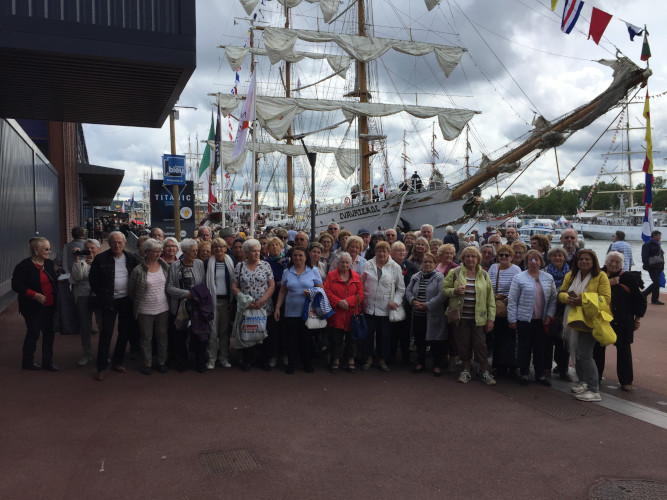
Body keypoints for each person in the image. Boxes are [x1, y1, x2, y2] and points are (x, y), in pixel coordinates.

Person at [558, 249, 611, 402]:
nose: (584, 262)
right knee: (576, 353)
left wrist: (583, 300)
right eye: (581, 259)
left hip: (590, 320)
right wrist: (567, 298)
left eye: (588, 259)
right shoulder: (571, 275)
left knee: (585, 354)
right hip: (573, 319)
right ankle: (583, 382)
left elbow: (605, 299)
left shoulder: (601, 277)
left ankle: (594, 390)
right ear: (577, 261)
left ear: (594, 261)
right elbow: (561, 292)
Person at [89, 231, 140, 381]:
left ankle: (117, 362)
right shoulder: (100, 259)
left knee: (124, 332)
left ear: (124, 243)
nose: (117, 245)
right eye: (113, 242)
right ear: (109, 243)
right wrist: (103, 295)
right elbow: (94, 280)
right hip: (108, 301)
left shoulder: (131, 258)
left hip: (126, 300)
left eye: (119, 242)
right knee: (106, 334)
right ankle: (101, 367)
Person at [442, 246, 496, 386]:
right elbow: (444, 290)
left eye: (473, 256)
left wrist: (491, 318)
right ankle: (466, 370)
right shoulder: (455, 272)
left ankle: (484, 371)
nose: (470, 259)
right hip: (461, 317)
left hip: (479, 318)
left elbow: (490, 298)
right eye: (467, 256)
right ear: (462, 258)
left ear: (478, 258)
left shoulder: (484, 274)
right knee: (463, 345)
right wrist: (454, 290)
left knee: (480, 345)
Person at [594, 251, 647, 391]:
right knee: (598, 349)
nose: (613, 264)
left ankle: (626, 381)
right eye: (611, 260)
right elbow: (590, 292)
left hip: (624, 320)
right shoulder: (598, 274)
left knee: (624, 350)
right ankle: (595, 377)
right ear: (605, 261)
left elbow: (639, 299)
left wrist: (638, 319)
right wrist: (608, 283)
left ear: (622, 264)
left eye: (617, 262)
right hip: (602, 319)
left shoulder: (628, 277)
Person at [508, 249, 557, 386]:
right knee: (524, 347)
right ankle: (524, 373)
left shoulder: (548, 277)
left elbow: (553, 298)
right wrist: (512, 319)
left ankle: (540, 374)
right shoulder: (519, 278)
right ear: (527, 262)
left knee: (540, 348)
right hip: (524, 319)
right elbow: (512, 299)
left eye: (537, 259)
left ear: (541, 262)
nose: (534, 262)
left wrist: (549, 314)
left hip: (542, 320)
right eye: (531, 260)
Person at [12, 237, 59, 371]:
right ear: (36, 250)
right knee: (33, 333)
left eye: (49, 248)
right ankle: (27, 362)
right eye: (46, 249)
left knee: (49, 334)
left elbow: (52, 281)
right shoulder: (24, 266)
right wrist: (34, 295)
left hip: (50, 305)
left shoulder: (49, 264)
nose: (49, 251)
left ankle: (47, 362)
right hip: (32, 307)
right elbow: (17, 285)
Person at [274, 246, 321, 373]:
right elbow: (283, 291)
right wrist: (278, 307)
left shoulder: (313, 270)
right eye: (295, 255)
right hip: (291, 311)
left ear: (306, 257)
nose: (297, 258)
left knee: (306, 338)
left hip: (308, 311)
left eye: (300, 255)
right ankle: (292, 363)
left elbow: (321, 288)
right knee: (291, 339)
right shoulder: (287, 271)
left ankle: (307, 363)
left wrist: (311, 292)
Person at [360, 241, 405, 372]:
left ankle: (382, 359)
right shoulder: (368, 264)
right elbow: (361, 283)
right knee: (367, 335)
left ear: (389, 252)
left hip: (386, 307)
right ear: (375, 252)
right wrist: (361, 299)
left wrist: (395, 301)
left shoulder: (395, 267)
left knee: (384, 336)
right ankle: (368, 358)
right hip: (368, 306)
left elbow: (401, 288)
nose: (382, 253)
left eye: (384, 251)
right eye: (379, 251)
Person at [232, 239, 275, 371]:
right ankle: (247, 360)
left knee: (264, 333)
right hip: (247, 307)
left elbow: (271, 285)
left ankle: (264, 360)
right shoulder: (239, 266)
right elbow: (234, 287)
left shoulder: (265, 265)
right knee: (248, 331)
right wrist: (245, 300)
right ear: (246, 252)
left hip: (264, 307)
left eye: (258, 250)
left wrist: (263, 300)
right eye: (253, 251)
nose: (257, 253)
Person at [128, 238, 170, 375]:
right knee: (146, 337)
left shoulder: (165, 267)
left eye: (159, 251)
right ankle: (147, 363)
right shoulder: (138, 271)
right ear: (146, 252)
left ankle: (162, 361)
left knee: (162, 336)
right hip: (145, 309)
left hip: (163, 308)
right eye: (154, 251)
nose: (158, 254)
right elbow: (132, 291)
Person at [166, 238, 207, 372]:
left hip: (197, 306)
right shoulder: (175, 266)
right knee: (180, 336)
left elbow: (204, 285)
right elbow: (170, 288)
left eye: (196, 251)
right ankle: (182, 363)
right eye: (192, 251)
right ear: (184, 251)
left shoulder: (200, 264)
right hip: (180, 306)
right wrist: (187, 294)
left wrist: (197, 295)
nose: (195, 254)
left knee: (198, 335)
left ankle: (199, 362)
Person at [406, 253, 446, 375]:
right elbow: (408, 291)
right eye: (425, 262)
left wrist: (427, 304)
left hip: (433, 314)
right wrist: (413, 301)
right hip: (418, 314)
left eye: (430, 262)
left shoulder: (439, 277)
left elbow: (442, 295)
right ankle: (420, 363)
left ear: (435, 264)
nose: (427, 264)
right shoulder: (416, 276)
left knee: (435, 341)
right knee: (419, 340)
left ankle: (437, 365)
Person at [323, 252, 364, 373]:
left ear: (350, 263)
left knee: (352, 339)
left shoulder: (357, 277)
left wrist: (347, 301)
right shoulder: (331, 276)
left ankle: (350, 360)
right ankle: (335, 360)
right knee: (336, 338)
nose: (344, 265)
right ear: (338, 263)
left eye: (347, 262)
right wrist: (338, 302)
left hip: (352, 313)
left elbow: (360, 295)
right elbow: (327, 291)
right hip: (336, 313)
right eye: (342, 262)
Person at [488, 245, 521, 376]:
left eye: (507, 255)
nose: (503, 257)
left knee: (511, 337)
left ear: (511, 257)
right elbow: (488, 285)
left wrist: (511, 297)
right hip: (495, 304)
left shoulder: (516, 269)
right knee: (497, 337)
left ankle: (511, 365)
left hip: (509, 306)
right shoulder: (493, 268)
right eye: (501, 255)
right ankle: (498, 365)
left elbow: (519, 286)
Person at [70, 238, 102, 366]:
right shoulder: (80, 262)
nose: (89, 250)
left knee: (102, 325)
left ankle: (103, 353)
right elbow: (76, 277)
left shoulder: (103, 262)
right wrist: (76, 260)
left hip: (98, 296)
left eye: (92, 248)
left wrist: (94, 263)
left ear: (98, 249)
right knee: (85, 326)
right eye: (87, 248)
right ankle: (87, 353)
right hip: (83, 295)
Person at [204, 238, 235, 370]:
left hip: (226, 301)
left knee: (224, 332)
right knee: (212, 331)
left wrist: (232, 300)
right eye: (215, 247)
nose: (218, 249)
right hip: (212, 301)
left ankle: (224, 357)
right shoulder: (207, 263)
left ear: (225, 248)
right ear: (212, 250)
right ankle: (211, 359)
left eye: (221, 247)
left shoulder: (231, 262)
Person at [543, 247, 571, 381]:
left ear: (564, 257)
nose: (557, 258)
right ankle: (546, 368)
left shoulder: (571, 274)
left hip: (564, 312)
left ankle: (563, 369)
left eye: (560, 256)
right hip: (547, 310)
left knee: (563, 342)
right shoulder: (544, 272)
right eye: (554, 256)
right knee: (547, 342)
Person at [389, 241, 417, 365]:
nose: (401, 252)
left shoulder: (410, 266)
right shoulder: (388, 266)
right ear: (391, 253)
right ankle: (391, 356)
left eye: (403, 250)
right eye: (398, 250)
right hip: (391, 304)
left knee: (405, 332)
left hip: (406, 304)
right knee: (392, 332)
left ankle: (406, 356)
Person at [264, 236, 289, 368]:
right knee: (272, 328)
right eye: (272, 245)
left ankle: (284, 354)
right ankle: (272, 355)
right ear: (268, 248)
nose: (275, 247)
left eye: (277, 245)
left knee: (284, 327)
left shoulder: (287, 262)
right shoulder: (265, 262)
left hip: (285, 298)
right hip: (271, 297)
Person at [641, 230, 664, 305]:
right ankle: (645, 294)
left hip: (659, 266)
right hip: (652, 266)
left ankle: (654, 299)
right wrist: (646, 265)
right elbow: (644, 256)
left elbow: (661, 255)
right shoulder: (647, 244)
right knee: (657, 282)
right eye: (659, 236)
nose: (660, 237)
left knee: (657, 282)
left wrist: (662, 266)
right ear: (654, 236)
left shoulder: (658, 244)